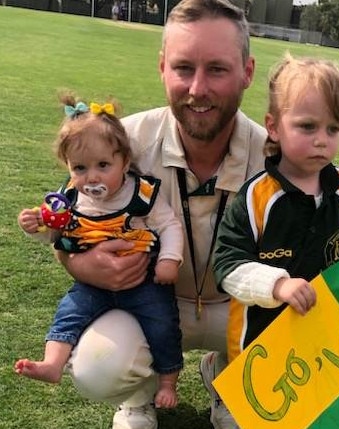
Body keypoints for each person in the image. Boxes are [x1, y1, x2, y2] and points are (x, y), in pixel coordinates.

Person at [57, 1, 266, 428]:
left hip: (237, 308)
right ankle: (138, 395)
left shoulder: (272, 158)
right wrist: (78, 262)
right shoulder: (121, 141)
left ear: (247, 71)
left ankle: (230, 379)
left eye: (218, 69)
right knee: (97, 366)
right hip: (149, 299)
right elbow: (65, 220)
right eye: (184, 67)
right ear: (162, 68)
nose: (198, 88)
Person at [213, 53, 339, 361]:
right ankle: (220, 377)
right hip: (261, 348)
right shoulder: (255, 198)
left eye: (333, 129)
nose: (322, 140)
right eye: (308, 127)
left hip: (328, 341)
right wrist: (277, 285)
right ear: (273, 127)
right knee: (262, 407)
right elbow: (227, 265)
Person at [15, 95, 184, 409]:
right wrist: (36, 226)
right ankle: (52, 364)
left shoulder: (140, 193)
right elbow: (56, 234)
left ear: (124, 161)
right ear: (67, 166)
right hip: (92, 285)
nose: (91, 177)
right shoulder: (69, 199)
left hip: (144, 283)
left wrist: (169, 260)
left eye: (103, 165)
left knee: (163, 323)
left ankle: (168, 381)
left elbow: (170, 225)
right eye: (79, 168)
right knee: (68, 312)